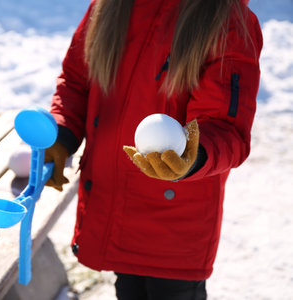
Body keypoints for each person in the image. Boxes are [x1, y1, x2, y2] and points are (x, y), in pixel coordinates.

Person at [44, 0, 263, 299]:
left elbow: (226, 127)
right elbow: (76, 80)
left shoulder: (226, 21)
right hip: (115, 210)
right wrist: (62, 134)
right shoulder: (111, 6)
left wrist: (191, 156)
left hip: (175, 230)